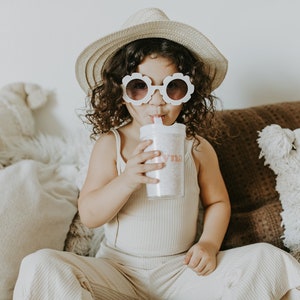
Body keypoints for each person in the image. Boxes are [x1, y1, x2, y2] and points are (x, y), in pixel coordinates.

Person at [13, 7, 300, 300]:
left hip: (181, 273)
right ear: (120, 93)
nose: (157, 101)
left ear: (189, 93)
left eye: (172, 87)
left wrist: (209, 245)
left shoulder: (197, 147)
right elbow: (89, 215)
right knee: (40, 264)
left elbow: (218, 203)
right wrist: (127, 179)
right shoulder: (110, 144)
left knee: (269, 260)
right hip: (117, 272)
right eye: (140, 87)